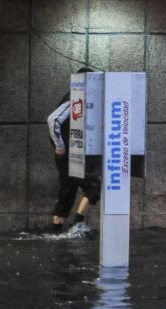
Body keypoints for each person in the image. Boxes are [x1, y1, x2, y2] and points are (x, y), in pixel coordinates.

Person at [46, 68, 100, 233]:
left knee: (67, 193)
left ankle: (56, 234)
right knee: (93, 187)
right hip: (68, 154)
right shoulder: (75, 96)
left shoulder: (79, 96)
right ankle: (77, 225)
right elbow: (53, 119)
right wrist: (60, 147)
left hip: (68, 154)